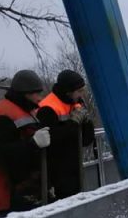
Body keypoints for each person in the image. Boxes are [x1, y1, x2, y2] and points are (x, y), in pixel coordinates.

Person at [0, 69, 51, 216]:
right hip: (15, 195)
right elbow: (3, 154)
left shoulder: (26, 110)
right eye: (37, 93)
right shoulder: (2, 116)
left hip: (31, 190)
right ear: (25, 93)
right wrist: (33, 143)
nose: (40, 98)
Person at [37, 69, 95, 199]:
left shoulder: (76, 104)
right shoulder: (48, 108)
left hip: (73, 166)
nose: (82, 95)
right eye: (79, 91)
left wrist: (87, 121)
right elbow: (52, 139)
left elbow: (87, 139)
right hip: (56, 171)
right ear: (68, 91)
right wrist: (73, 123)